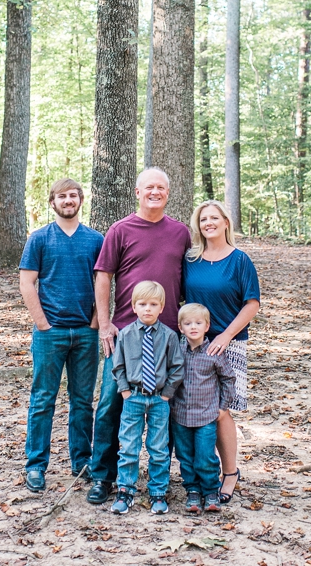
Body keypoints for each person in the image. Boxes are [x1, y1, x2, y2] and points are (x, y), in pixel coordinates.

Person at [87, 167, 192, 504]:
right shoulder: (120, 230)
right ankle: (103, 476)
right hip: (125, 335)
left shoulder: (180, 233)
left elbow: (189, 280)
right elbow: (103, 276)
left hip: (168, 336)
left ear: (168, 193)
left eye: (161, 187)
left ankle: (164, 479)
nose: (155, 192)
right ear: (137, 191)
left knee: (169, 407)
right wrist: (105, 324)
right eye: (149, 187)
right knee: (110, 404)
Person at [18, 178, 104, 493]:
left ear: (81, 200)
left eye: (73, 195)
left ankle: (82, 464)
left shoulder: (96, 240)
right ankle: (36, 467)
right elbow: (27, 284)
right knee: (43, 400)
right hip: (49, 334)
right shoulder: (39, 238)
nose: (68, 200)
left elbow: (103, 283)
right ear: (52, 202)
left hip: (85, 334)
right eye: (62, 196)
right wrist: (42, 323)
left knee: (82, 402)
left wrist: (95, 322)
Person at [182, 199, 260, 504]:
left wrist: (226, 336)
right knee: (196, 409)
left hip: (229, 343)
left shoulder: (240, 261)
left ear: (226, 222)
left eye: (214, 218)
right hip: (195, 344)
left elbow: (251, 303)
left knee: (220, 411)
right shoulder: (190, 260)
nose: (209, 223)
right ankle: (200, 474)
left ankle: (230, 473)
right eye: (203, 220)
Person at [110, 280, 183, 515]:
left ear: (162, 307)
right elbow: (118, 365)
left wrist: (167, 394)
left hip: (159, 399)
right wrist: (125, 391)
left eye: (153, 304)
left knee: (159, 447)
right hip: (133, 397)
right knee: (129, 446)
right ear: (134, 307)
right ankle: (126, 491)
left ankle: (158, 492)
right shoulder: (126, 334)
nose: (148, 309)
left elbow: (177, 367)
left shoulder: (169, 336)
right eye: (142, 304)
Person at [171, 302, 237, 514]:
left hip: (207, 415)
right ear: (180, 327)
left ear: (206, 326)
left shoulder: (214, 352)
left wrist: (223, 407)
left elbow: (228, 378)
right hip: (180, 414)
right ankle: (192, 491)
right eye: (188, 323)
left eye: (198, 323)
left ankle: (210, 491)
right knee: (185, 455)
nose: (193, 327)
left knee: (205, 456)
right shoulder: (176, 351)